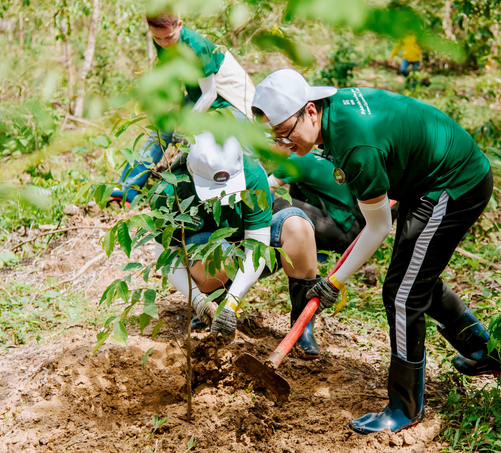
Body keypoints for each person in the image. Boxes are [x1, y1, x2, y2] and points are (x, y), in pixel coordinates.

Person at [251, 69, 501, 434]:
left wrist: (334, 282)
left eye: (286, 133)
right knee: (414, 278)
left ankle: (405, 408)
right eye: (275, 137)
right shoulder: (332, 115)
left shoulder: (356, 148)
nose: (283, 144)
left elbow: (377, 226)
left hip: (453, 184)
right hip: (424, 180)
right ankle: (487, 353)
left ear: (310, 111)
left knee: (403, 295)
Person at [152, 132, 323, 359]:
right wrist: (197, 300)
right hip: (208, 253)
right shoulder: (170, 188)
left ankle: (302, 325)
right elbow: (166, 257)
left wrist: (232, 305)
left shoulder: (252, 174)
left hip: (246, 247)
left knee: (298, 227)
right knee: (212, 258)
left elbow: (258, 246)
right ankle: (212, 304)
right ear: (192, 171)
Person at [112, 11, 255, 205]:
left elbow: (210, 93)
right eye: (158, 38)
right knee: (162, 129)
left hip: (228, 100)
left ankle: (254, 192)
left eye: (169, 37)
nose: (164, 43)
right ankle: (127, 189)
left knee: (230, 146)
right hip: (199, 96)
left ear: (179, 25)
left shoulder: (197, 47)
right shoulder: (162, 41)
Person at [268, 151, 364, 254]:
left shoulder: (295, 161)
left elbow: (260, 190)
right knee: (292, 196)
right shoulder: (312, 155)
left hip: (346, 234)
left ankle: (270, 250)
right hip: (356, 230)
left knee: (282, 205)